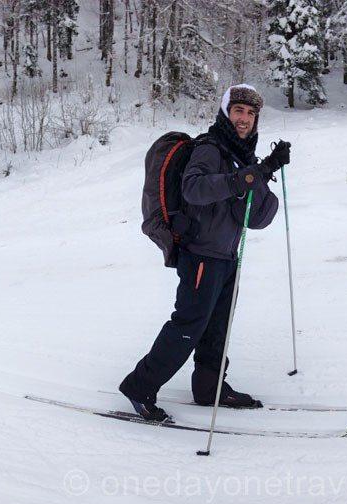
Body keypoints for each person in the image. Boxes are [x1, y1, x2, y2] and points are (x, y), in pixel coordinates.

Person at [119, 84, 292, 421]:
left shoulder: (242, 156)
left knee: (217, 328)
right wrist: (243, 178)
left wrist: (265, 170)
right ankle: (139, 386)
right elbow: (194, 189)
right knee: (188, 326)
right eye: (238, 110)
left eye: (251, 113)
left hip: (226, 256)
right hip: (200, 255)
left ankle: (209, 387)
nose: (244, 118)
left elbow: (257, 217)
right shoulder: (210, 148)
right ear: (226, 112)